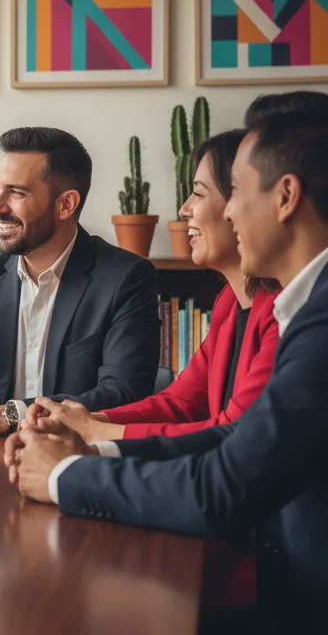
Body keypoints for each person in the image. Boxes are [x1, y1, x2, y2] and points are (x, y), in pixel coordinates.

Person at [6, 93, 328, 635]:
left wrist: (69, 474)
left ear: (285, 196)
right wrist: (87, 443)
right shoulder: (295, 308)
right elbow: (205, 417)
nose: (225, 211)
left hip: (299, 631)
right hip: (284, 594)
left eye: (231, 190)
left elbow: (227, 475)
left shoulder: (311, 320)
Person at [0, 127, 160, 437]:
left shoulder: (125, 278)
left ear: (66, 204)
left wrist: (10, 415)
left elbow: (123, 393)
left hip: (83, 461)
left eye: (17, 193)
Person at [24, 129, 280, 443]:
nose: (184, 210)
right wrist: (83, 419)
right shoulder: (230, 299)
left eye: (198, 193)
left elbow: (233, 433)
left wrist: (96, 431)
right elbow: (180, 403)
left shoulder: (284, 311)